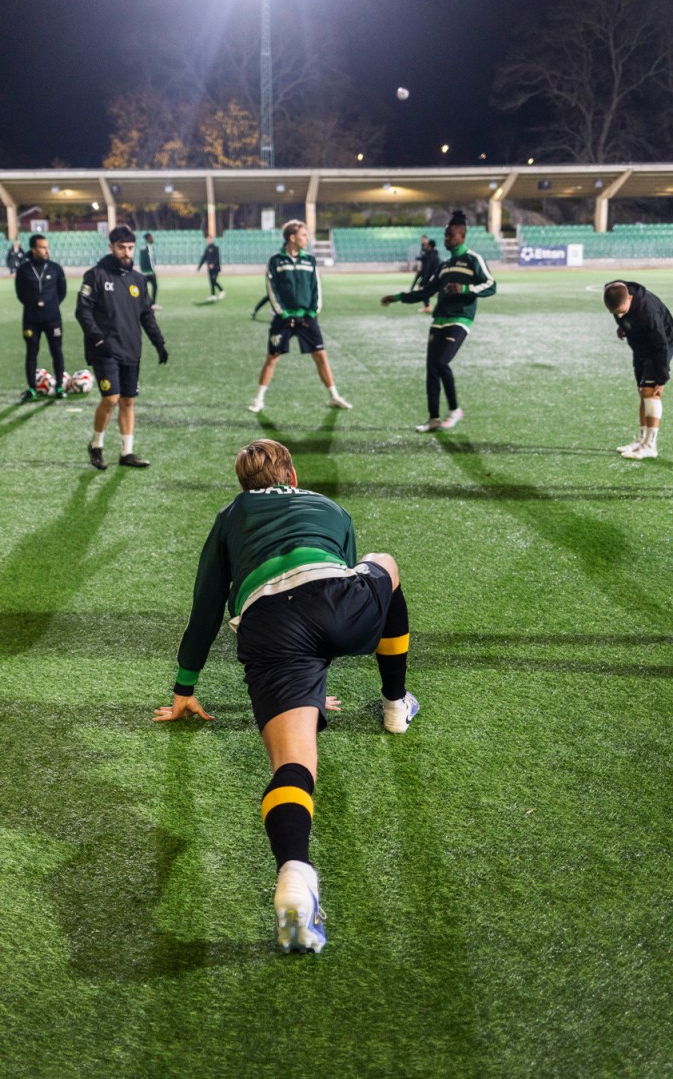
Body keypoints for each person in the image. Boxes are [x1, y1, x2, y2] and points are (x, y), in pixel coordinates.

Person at [153, 438, 419, 954]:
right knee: (382, 562)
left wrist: (185, 688)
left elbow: (206, 606)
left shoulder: (231, 515)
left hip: (269, 626)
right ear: (292, 476)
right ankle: (394, 706)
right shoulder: (329, 507)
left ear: (243, 484)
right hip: (336, 602)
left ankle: (296, 874)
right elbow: (337, 578)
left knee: (293, 766)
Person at [381, 210, 496, 431]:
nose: (447, 239)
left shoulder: (473, 260)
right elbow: (426, 291)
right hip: (439, 319)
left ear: (462, 236)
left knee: (442, 362)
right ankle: (433, 418)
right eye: (445, 235)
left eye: (450, 235)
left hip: (460, 318)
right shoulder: (444, 265)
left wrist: (464, 289)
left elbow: (491, 285)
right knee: (431, 368)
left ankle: (454, 410)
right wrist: (396, 297)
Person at [75, 225, 168, 470]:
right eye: (121, 248)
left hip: (131, 349)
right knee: (111, 398)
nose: (126, 253)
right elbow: (82, 311)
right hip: (103, 350)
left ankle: (126, 452)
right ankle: (96, 445)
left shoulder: (138, 280)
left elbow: (146, 316)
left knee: (128, 401)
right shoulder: (95, 275)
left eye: (130, 248)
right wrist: (97, 339)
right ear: (111, 247)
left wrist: (159, 343)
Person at [248, 220, 352, 413]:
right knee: (272, 357)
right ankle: (258, 399)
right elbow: (271, 290)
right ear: (292, 238)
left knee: (321, 355)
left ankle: (334, 396)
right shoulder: (275, 261)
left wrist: (312, 312)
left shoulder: (310, 260)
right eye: (304, 235)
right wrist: (283, 313)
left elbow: (316, 289)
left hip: (307, 318)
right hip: (283, 318)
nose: (307, 239)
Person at [603, 280, 673, 460]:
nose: (619, 315)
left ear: (630, 298)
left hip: (659, 346)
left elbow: (661, 346)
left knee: (651, 392)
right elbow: (619, 313)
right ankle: (641, 440)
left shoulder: (648, 312)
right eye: (615, 313)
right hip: (640, 346)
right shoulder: (615, 294)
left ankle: (650, 446)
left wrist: (661, 378)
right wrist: (622, 325)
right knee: (642, 391)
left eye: (622, 311)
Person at [14, 233, 68, 401]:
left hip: (52, 318)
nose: (46, 250)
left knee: (56, 351)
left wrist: (50, 305)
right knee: (31, 353)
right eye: (42, 247)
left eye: (47, 247)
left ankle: (59, 386)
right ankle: (31, 389)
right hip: (31, 319)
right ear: (33, 249)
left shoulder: (55, 268)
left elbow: (62, 292)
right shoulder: (23, 270)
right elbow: (20, 293)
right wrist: (33, 304)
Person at [410, 236, 440, 313]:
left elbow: (427, 267)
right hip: (435, 275)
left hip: (429, 275)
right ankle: (430, 305)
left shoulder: (429, 255)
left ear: (429, 246)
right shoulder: (435, 254)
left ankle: (427, 306)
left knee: (423, 289)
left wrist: (424, 278)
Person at [197, 234, 224, 301]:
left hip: (216, 268)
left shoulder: (215, 248)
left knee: (214, 280)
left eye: (209, 239)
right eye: (207, 239)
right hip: (209, 268)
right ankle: (213, 295)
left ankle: (222, 291)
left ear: (211, 239)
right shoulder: (206, 249)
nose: (208, 240)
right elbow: (203, 258)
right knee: (211, 282)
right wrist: (199, 267)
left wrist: (213, 264)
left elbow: (217, 258)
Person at [138, 231, 159, 309]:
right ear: (148, 239)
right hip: (149, 272)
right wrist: (153, 271)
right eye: (151, 237)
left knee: (144, 288)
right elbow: (150, 260)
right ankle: (152, 303)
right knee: (155, 286)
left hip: (143, 272)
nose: (153, 239)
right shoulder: (149, 248)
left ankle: (144, 303)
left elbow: (141, 260)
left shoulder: (142, 248)